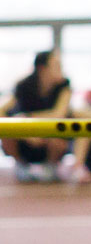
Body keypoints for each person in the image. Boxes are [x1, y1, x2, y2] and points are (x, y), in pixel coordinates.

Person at [0, 49, 71, 183]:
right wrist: (25, 132)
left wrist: (28, 120)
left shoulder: (64, 86)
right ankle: (21, 165)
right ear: (42, 68)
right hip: (25, 140)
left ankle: (50, 166)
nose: (61, 69)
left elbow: (58, 114)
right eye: (56, 65)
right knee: (6, 131)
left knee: (60, 138)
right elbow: (2, 110)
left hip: (50, 136)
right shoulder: (23, 86)